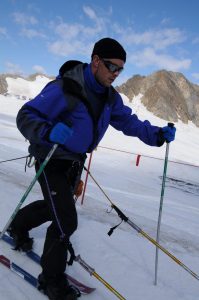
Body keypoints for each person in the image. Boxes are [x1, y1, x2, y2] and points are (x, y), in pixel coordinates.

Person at [8, 37, 176, 300]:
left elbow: (129, 123)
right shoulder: (64, 88)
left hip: (75, 161)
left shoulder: (110, 98)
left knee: (58, 206)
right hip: (50, 158)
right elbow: (26, 115)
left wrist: (156, 135)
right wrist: (48, 131)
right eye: (112, 67)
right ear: (96, 61)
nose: (116, 74)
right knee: (66, 219)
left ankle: (18, 225)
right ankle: (51, 279)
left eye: (121, 69)